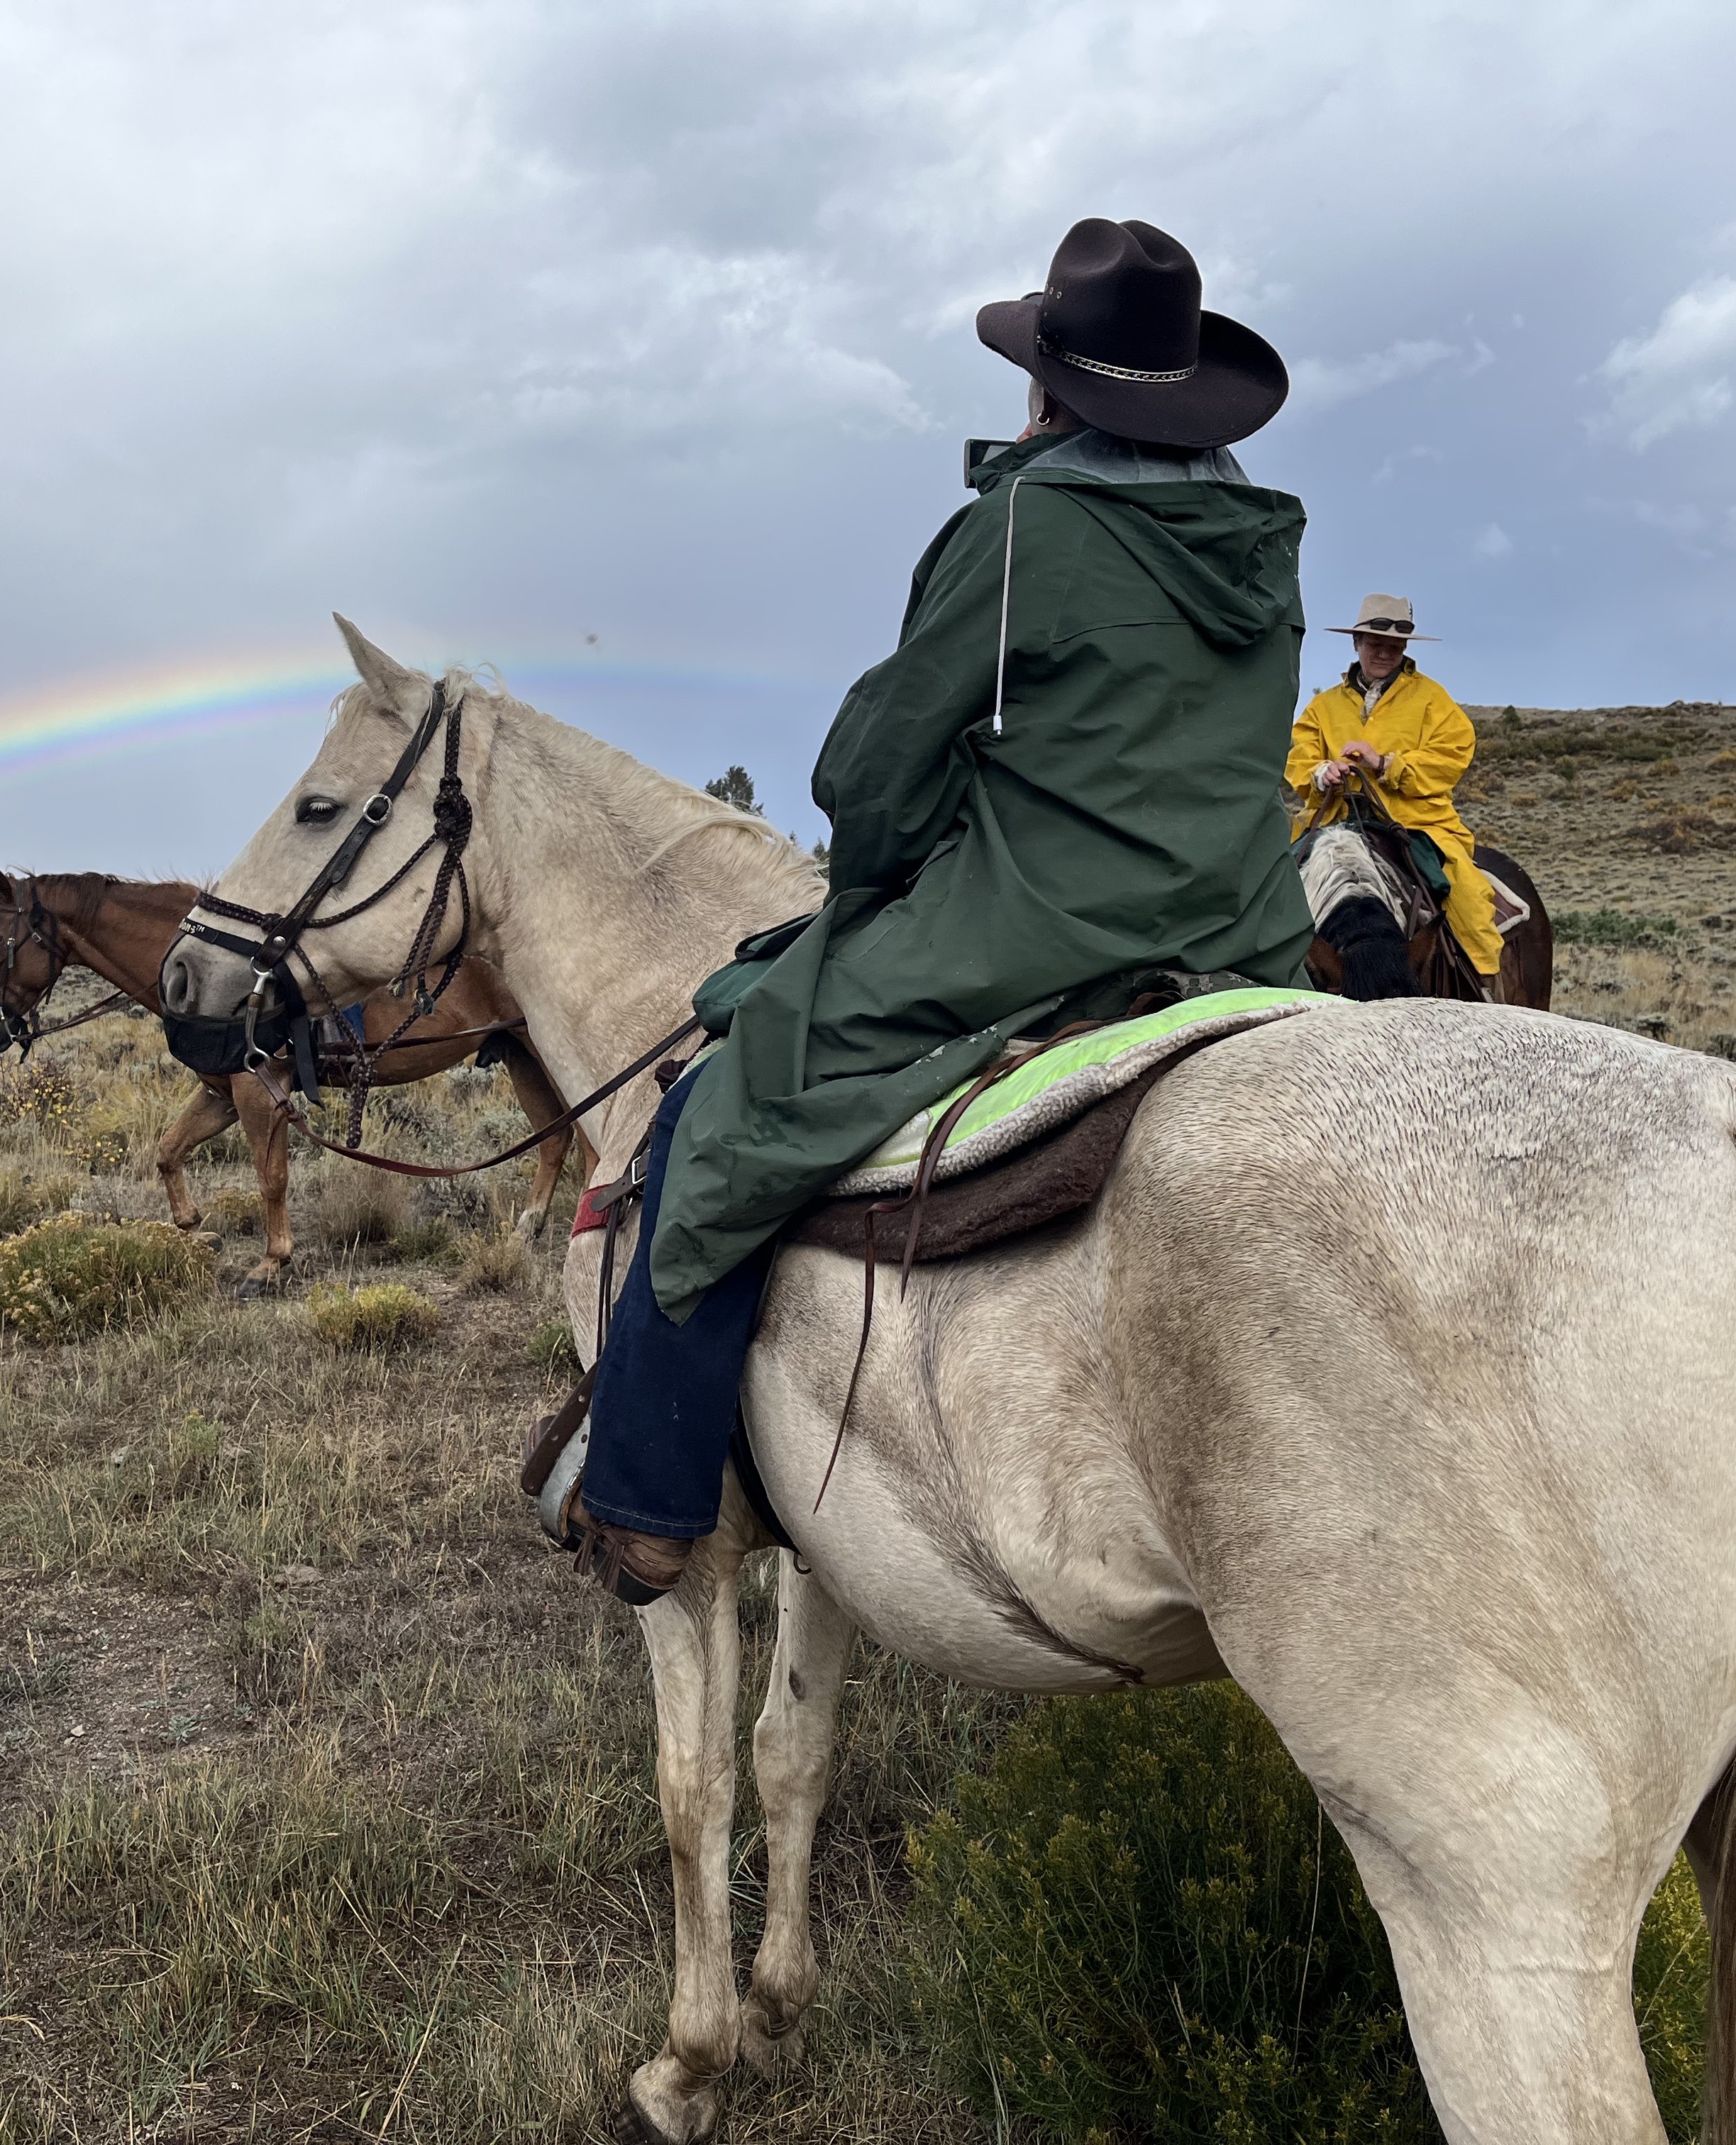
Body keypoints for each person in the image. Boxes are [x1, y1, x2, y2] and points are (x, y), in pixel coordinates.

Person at [538, 217, 1315, 1602]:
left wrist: (894, 872)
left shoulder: (1026, 524)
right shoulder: (1260, 547)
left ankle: (648, 1493)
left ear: (1047, 390)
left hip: (1041, 930)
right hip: (1249, 937)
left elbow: (874, 778)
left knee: (727, 1098)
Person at [1284, 597, 1501, 997]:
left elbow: (1453, 753)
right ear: (1357, 644)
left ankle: (1486, 994)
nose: (1384, 653)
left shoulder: (1432, 700)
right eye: (1374, 643)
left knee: (1469, 901)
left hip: (1415, 822)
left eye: (1394, 647)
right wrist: (1321, 772)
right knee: (1266, 889)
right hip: (1333, 821)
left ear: (1404, 650)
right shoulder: (1324, 705)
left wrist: (1386, 764)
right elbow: (1300, 755)